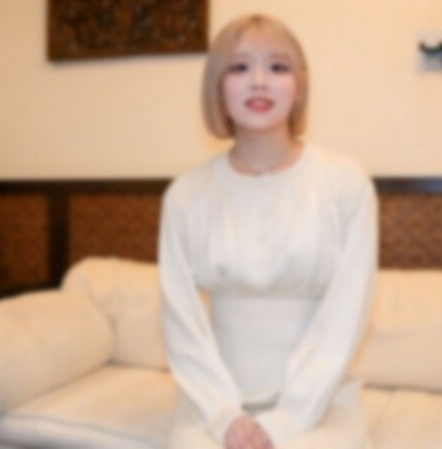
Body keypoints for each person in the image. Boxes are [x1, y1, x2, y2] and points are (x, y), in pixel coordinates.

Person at [159, 13, 377, 449]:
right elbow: (181, 322)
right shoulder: (186, 195)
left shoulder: (345, 183)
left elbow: (347, 313)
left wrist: (288, 419)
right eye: (240, 67)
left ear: (300, 86)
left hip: (322, 402)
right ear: (217, 87)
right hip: (214, 404)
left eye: (277, 67)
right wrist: (225, 416)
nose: (259, 82)